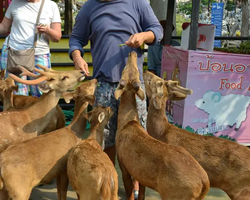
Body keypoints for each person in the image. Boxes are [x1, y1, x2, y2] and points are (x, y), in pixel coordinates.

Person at [69, 0, 163, 198]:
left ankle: (136, 189)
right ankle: (110, 183)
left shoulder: (138, 3)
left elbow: (157, 30)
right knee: (105, 138)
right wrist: (77, 57)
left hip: (133, 86)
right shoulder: (89, 6)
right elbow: (76, 39)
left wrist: (144, 36)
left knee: (137, 139)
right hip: (104, 84)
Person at [0, 0, 62, 97]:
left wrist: (47, 30)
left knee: (42, 95)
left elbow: (57, 37)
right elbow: (4, 27)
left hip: (39, 55)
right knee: (17, 96)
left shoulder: (51, 5)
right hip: (13, 53)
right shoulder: (15, 3)